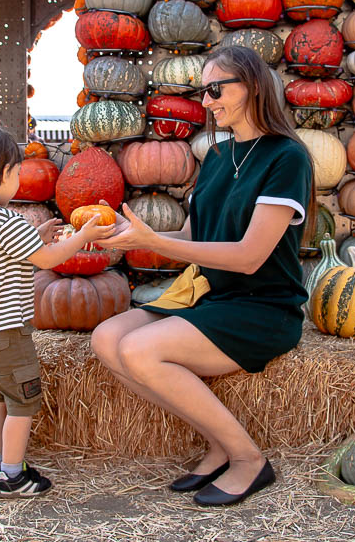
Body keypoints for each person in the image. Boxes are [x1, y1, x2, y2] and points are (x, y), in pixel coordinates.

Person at [92, 46, 316, 507]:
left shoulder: (286, 157)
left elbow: (250, 256)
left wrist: (155, 243)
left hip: (263, 305)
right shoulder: (216, 156)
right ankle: (217, 442)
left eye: (216, 89)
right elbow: (195, 234)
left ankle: (249, 460)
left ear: (252, 87)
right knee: (105, 339)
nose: (207, 101)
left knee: (139, 349)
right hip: (212, 298)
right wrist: (133, 236)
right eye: (204, 91)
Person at [0, 125, 114, 498]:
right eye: (17, 172)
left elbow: (9, 256)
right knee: (21, 404)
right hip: (7, 332)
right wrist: (82, 237)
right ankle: (13, 475)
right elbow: (50, 259)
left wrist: (36, 238)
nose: (19, 179)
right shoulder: (5, 220)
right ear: (3, 174)